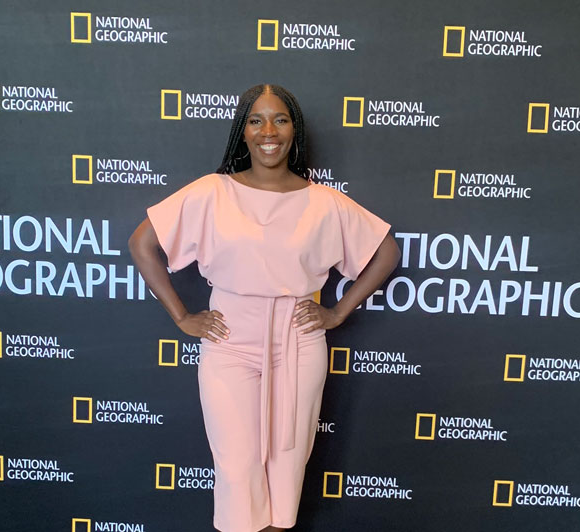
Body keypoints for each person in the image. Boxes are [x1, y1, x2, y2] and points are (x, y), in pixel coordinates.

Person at [128, 84, 401, 532]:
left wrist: (337, 312)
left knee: (286, 473)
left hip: (299, 344)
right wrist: (182, 316)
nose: (268, 131)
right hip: (230, 343)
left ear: (295, 129)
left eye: (280, 119)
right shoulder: (212, 192)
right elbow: (142, 242)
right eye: (256, 120)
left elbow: (385, 251)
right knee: (237, 473)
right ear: (243, 131)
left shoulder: (323, 201)